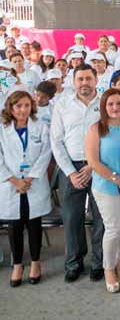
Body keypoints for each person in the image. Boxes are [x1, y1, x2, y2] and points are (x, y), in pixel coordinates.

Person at [50, 64, 105, 283]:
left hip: (99, 166)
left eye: (88, 78)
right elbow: (56, 142)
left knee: (101, 218)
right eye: (80, 79)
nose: (84, 83)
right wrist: (71, 173)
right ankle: (74, 263)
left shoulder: (104, 103)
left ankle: (99, 262)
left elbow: (110, 137)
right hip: (70, 168)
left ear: (96, 80)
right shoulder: (62, 104)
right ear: (73, 82)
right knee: (72, 218)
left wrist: (93, 165)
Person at [0, 91, 51, 287]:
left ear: (32, 107)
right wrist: (15, 180)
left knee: (34, 223)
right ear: (11, 108)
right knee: (15, 226)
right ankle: (18, 265)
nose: (23, 110)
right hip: (11, 184)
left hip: (33, 182)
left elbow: (46, 152)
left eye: (27, 105)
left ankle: (36, 263)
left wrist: (29, 178)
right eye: (18, 106)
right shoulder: (2, 129)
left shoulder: (41, 126)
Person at [84, 88, 120, 293]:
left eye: (118, 103)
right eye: (110, 104)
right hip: (106, 185)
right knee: (113, 228)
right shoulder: (96, 129)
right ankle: (109, 269)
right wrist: (116, 179)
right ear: (104, 106)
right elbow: (93, 162)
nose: (115, 107)